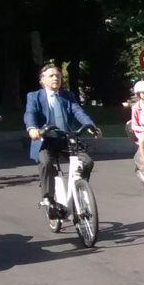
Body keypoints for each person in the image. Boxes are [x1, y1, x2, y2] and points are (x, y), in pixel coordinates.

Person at [24, 63, 101, 217]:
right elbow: (29, 114)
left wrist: (90, 125)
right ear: (42, 80)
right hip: (45, 140)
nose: (55, 78)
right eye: (51, 76)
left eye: (58, 76)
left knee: (87, 162)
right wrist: (32, 128)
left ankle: (79, 189)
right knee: (46, 163)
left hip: (66, 139)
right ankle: (48, 199)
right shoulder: (34, 96)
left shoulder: (67, 96)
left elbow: (78, 111)